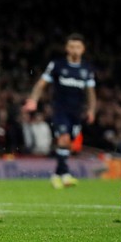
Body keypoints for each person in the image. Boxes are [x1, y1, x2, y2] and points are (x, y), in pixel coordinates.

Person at [23, 32, 97, 189]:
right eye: (71, 46)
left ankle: (58, 174)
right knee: (63, 139)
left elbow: (91, 92)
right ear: (66, 48)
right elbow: (42, 83)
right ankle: (65, 174)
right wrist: (33, 100)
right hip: (60, 110)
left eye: (78, 46)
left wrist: (91, 110)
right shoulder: (58, 65)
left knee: (68, 144)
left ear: (83, 49)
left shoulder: (86, 68)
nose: (75, 50)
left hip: (77, 112)